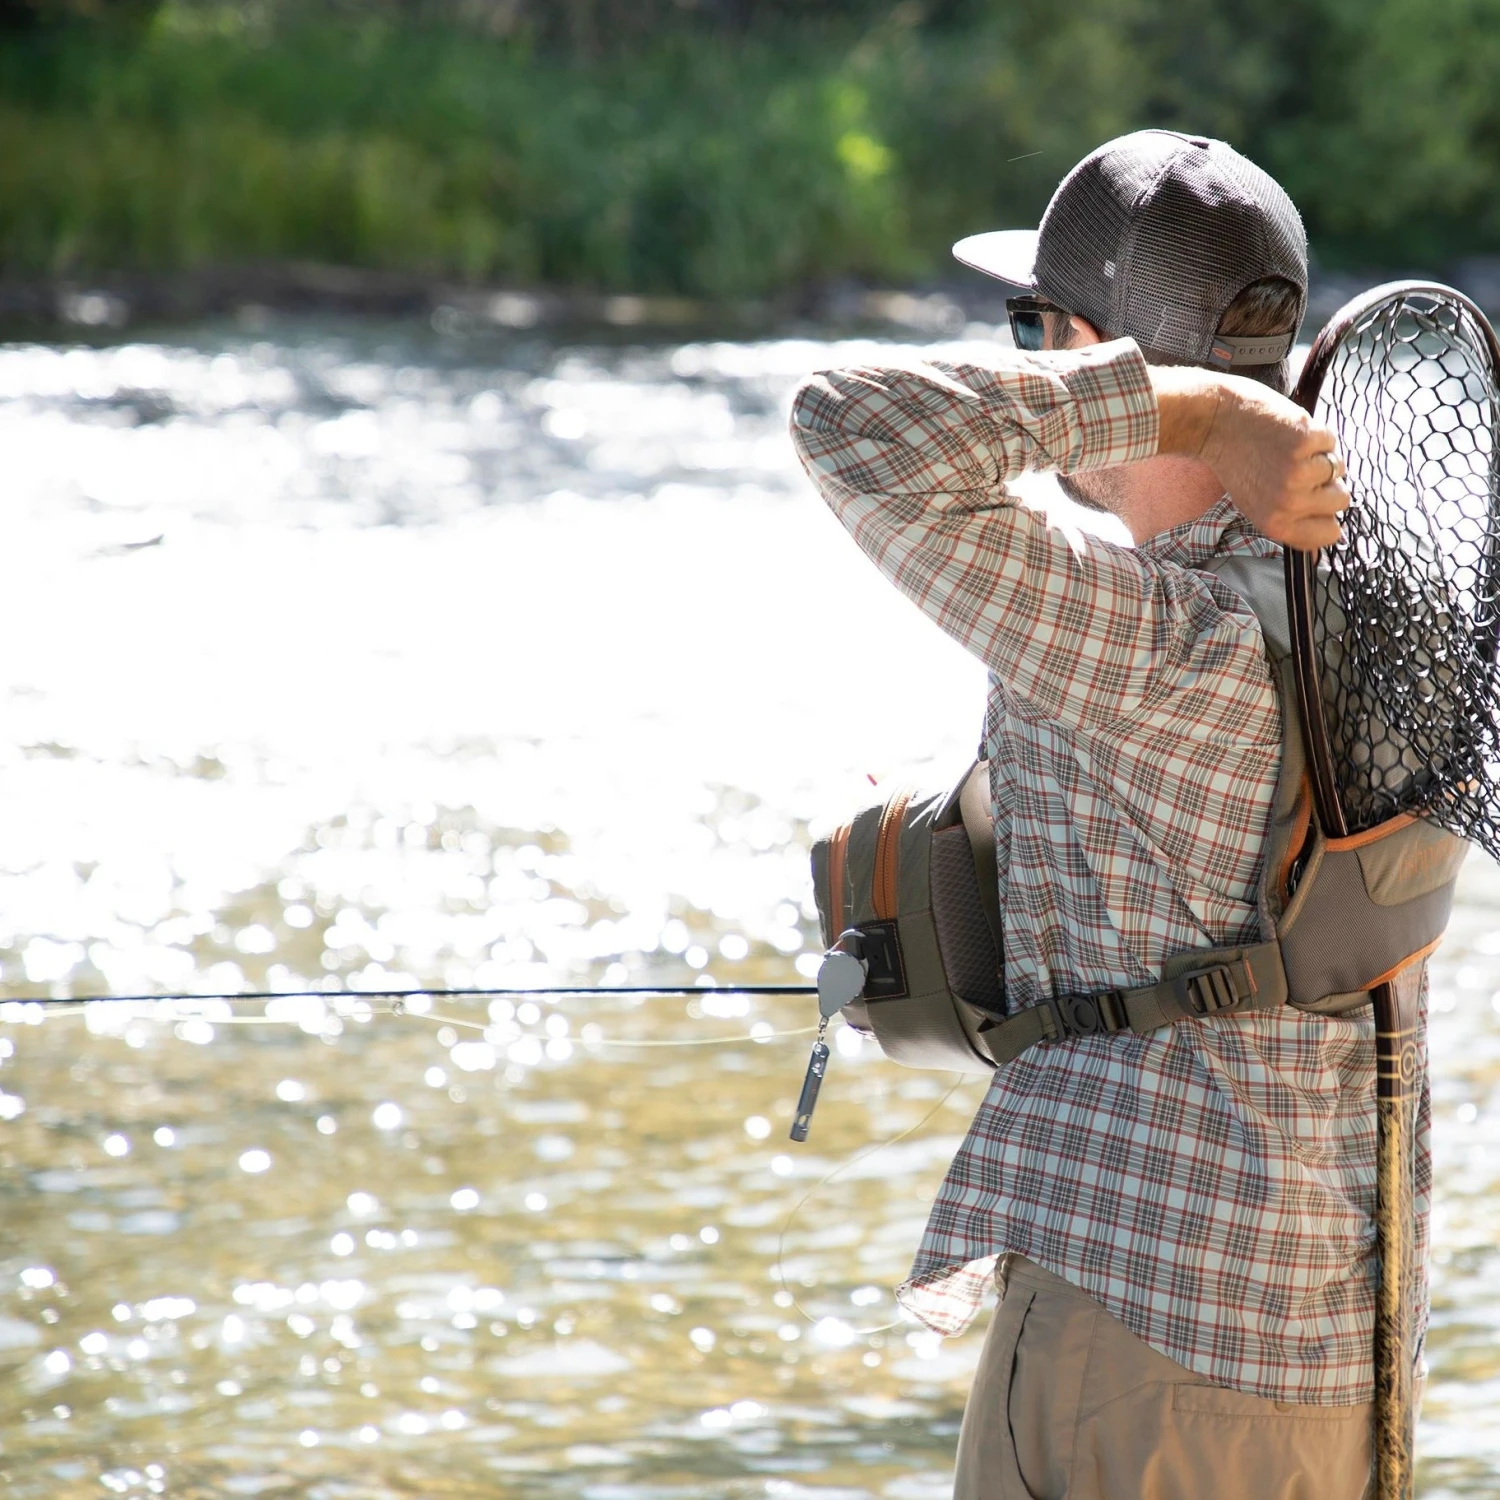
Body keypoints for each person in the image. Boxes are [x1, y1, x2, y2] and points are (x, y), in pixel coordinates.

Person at [789, 130, 1411, 1500]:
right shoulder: (1383, 608)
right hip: (1332, 1349)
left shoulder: (1149, 633)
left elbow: (844, 423)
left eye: (1031, 329)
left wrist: (1182, 414)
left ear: (1082, 348)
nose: (1021, 353)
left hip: (1137, 1345)